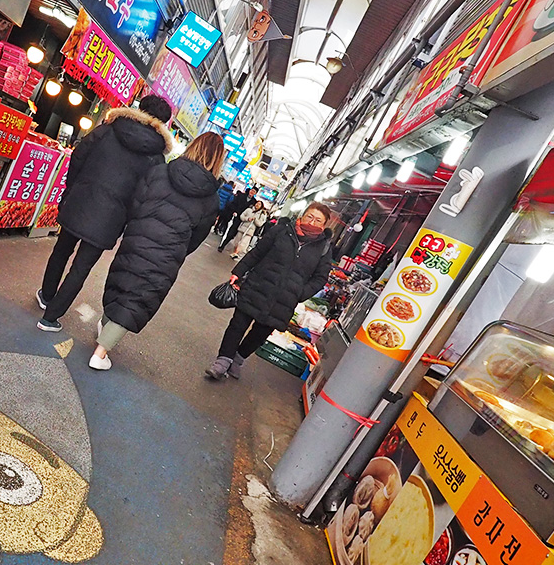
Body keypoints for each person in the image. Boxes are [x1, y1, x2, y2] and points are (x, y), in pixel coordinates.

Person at [36, 95, 175, 331]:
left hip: (81, 200)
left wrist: (72, 190)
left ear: (140, 109)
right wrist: (127, 219)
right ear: (162, 124)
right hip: (111, 218)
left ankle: (46, 296)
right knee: (81, 268)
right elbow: (145, 195)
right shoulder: (156, 158)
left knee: (61, 250)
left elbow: (78, 156)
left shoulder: (109, 128)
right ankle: (50, 318)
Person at [88, 133, 225, 370]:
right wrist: (177, 248)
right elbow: (197, 237)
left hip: (138, 236)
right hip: (168, 254)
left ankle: (106, 325)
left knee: (122, 282)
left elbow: (136, 202)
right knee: (139, 297)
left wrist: (138, 227)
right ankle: (100, 353)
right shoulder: (210, 199)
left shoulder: (161, 171)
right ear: (217, 160)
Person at [206, 203, 334, 380]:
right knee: (237, 325)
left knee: (260, 334)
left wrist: (300, 293)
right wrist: (238, 271)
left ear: (324, 226)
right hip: (257, 285)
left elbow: (320, 278)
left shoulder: (324, 248)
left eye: (318, 220)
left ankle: (237, 360)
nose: (312, 222)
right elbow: (257, 253)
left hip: (284, 300)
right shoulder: (281, 231)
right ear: (302, 216)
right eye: (309, 216)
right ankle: (222, 361)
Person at [217, 186, 257, 251]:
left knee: (236, 234)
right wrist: (234, 211)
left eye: (254, 192)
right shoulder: (241, 196)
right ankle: (222, 246)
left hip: (244, 220)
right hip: (237, 217)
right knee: (231, 232)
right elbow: (233, 204)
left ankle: (234, 248)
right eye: (252, 190)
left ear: (255, 193)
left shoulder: (254, 202)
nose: (252, 192)